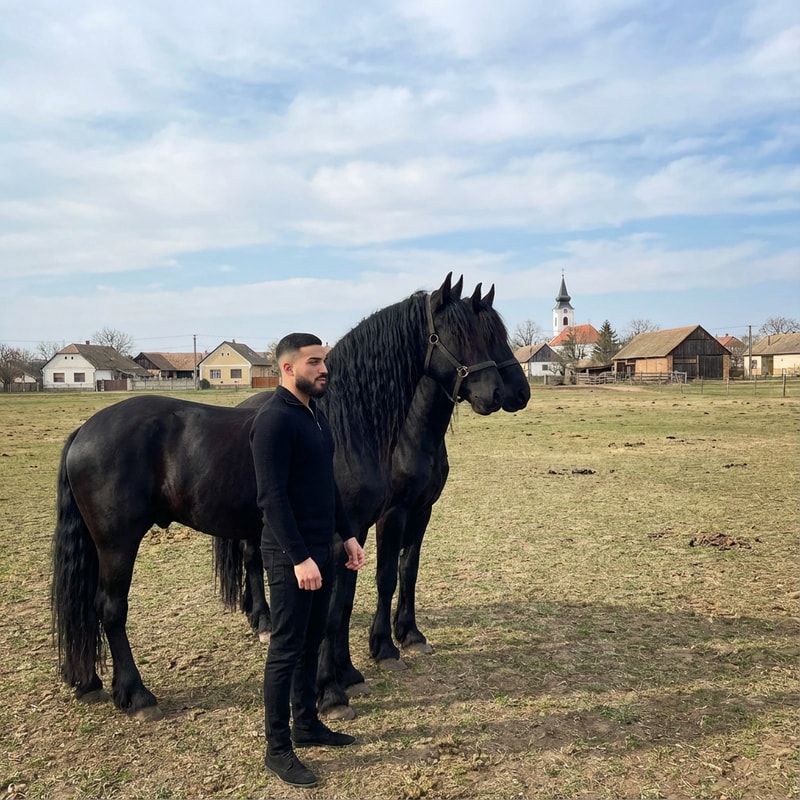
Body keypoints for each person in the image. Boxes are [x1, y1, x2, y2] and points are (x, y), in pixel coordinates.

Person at [250, 332, 366, 789]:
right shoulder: (274, 421)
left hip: (322, 550)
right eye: (314, 362)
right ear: (288, 368)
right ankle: (278, 749)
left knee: (312, 642)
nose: (324, 369)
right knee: (285, 649)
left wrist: (348, 535)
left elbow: (327, 484)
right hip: (290, 556)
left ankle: (307, 724)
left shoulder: (314, 416)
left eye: (324, 361)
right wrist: (299, 558)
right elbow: (270, 497)